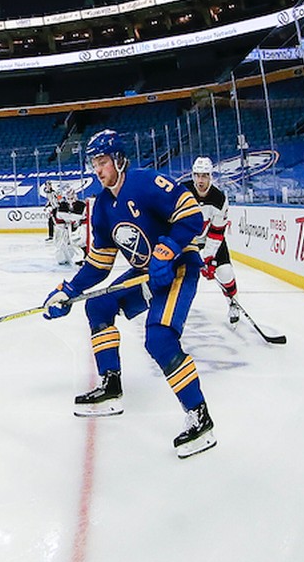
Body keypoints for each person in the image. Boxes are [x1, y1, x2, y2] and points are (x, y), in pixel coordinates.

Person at [40, 129, 215, 458]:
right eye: (94, 163)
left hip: (177, 269)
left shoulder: (147, 183)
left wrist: (170, 248)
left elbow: (191, 214)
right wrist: (68, 290)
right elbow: (100, 263)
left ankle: (200, 417)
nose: (98, 169)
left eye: (102, 161)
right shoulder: (103, 206)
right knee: (98, 306)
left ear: (119, 160)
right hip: (148, 273)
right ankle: (111, 385)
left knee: (160, 339)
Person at [185, 156, 244, 324]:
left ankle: (233, 303)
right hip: (187, 240)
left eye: (204, 176)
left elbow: (217, 232)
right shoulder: (182, 192)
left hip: (209, 238)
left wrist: (208, 259)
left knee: (225, 272)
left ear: (211, 177)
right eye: (197, 175)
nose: (200, 180)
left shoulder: (219, 199)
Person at [51, 185, 88, 266]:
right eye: (68, 198)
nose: (70, 200)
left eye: (71, 198)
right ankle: (64, 258)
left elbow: (84, 217)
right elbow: (58, 218)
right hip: (64, 229)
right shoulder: (62, 206)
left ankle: (82, 257)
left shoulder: (81, 205)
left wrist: (78, 221)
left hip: (78, 227)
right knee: (61, 244)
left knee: (79, 241)